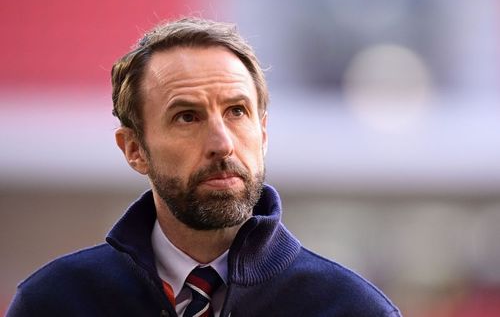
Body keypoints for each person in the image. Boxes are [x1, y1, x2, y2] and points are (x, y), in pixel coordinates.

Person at [7, 17, 401, 317]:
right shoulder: (55, 302)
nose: (222, 143)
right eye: (187, 117)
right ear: (133, 149)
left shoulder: (351, 309)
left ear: (262, 133)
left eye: (236, 111)